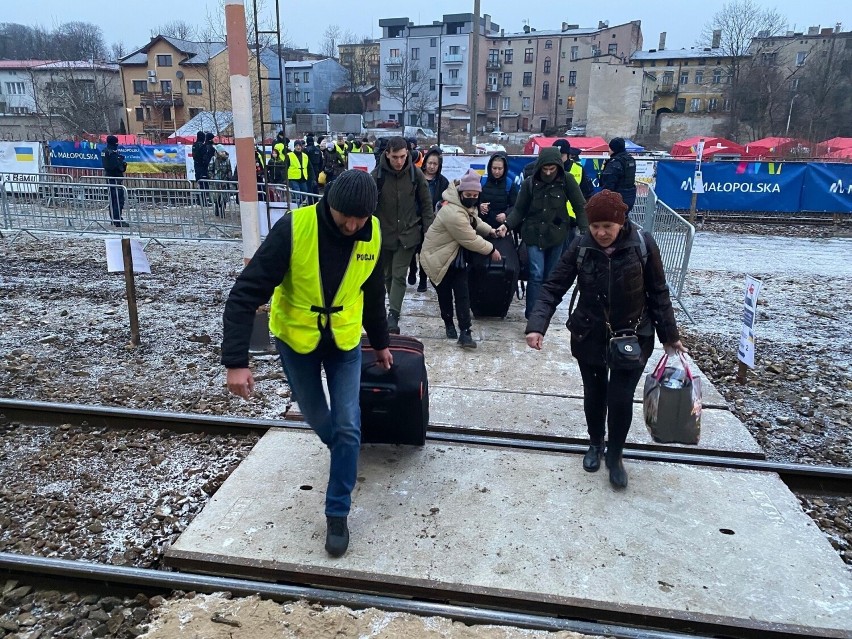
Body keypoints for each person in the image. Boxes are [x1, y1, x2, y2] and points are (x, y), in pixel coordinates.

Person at [222, 170, 392, 557]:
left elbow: (373, 291)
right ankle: (345, 458)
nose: (352, 226)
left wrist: (381, 343)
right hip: (297, 339)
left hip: (345, 340)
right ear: (328, 203)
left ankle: (337, 512)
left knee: (349, 425)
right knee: (324, 423)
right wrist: (236, 361)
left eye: (360, 218)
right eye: (344, 216)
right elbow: (244, 294)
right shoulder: (293, 229)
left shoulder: (373, 232)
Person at [524, 190, 685, 489]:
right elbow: (553, 286)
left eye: (606, 227)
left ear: (620, 223)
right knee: (595, 394)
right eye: (595, 226)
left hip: (634, 335)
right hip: (590, 333)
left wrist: (670, 336)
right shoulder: (581, 245)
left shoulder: (642, 244)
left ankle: (615, 455)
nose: (600, 233)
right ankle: (596, 443)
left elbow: (659, 292)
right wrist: (537, 326)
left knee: (620, 398)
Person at [497, 146, 587, 319]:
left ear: (558, 167)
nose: (547, 172)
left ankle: (544, 310)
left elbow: (580, 207)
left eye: (551, 169)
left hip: (557, 234)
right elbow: (519, 210)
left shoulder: (567, 180)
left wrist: (584, 231)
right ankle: (533, 314)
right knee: (536, 274)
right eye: (544, 169)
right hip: (533, 233)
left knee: (550, 276)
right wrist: (507, 225)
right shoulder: (529, 183)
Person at [421, 169, 503, 348]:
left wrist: (491, 230)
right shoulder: (452, 211)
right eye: (468, 194)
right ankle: (449, 323)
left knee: (462, 294)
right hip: (438, 258)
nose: (472, 198)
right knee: (445, 295)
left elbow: (475, 221)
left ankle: (465, 331)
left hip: (456, 258)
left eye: (475, 195)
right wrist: (491, 250)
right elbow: (469, 238)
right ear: (460, 193)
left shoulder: (465, 207)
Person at [370, 136, 434, 334]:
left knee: (398, 274)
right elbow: (369, 207)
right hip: (384, 234)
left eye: (403, 156)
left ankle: (394, 315)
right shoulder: (377, 176)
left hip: (408, 234)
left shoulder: (416, 175)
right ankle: (393, 310)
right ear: (387, 154)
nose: (399, 161)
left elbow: (426, 205)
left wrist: (428, 231)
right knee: (388, 275)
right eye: (395, 157)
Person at [408, 147, 448, 292]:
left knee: (425, 252)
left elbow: (447, 200)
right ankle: (412, 269)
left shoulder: (443, 182)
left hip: (431, 221)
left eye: (435, 164)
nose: (431, 166)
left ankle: (423, 280)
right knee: (412, 249)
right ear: (425, 163)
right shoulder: (416, 177)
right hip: (414, 219)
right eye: (430, 163)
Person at [478, 151, 518, 229]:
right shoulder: (482, 181)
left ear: (504, 168)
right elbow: (472, 200)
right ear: (490, 167)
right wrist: (479, 206)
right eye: (494, 168)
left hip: (500, 227)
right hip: (482, 226)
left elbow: (515, 206)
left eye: (500, 169)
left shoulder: (509, 184)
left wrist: (506, 214)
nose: (497, 172)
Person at [599, 137, 637, 212]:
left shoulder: (615, 163)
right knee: (623, 219)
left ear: (614, 149)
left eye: (610, 148)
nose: (608, 150)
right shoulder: (630, 159)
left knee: (613, 221)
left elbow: (609, 184)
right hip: (630, 196)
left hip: (617, 198)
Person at [101, 135, 128, 227]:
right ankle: (117, 219)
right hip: (114, 178)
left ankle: (115, 218)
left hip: (113, 178)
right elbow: (113, 166)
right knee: (117, 199)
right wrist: (121, 162)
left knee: (114, 199)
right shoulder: (110, 152)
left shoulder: (107, 151)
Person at [208, 145, 234, 217]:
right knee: (217, 196)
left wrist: (229, 178)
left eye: (223, 151)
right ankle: (217, 208)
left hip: (224, 181)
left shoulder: (227, 160)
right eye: (221, 152)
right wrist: (212, 178)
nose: (222, 153)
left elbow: (229, 170)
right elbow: (210, 170)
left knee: (224, 197)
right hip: (216, 181)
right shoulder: (213, 159)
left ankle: (223, 210)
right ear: (217, 152)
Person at [286, 139, 313, 205]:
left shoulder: (305, 156)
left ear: (301, 147)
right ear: (294, 147)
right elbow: (284, 168)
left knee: (304, 193)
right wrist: (285, 179)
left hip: (303, 178)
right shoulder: (289, 155)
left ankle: (298, 205)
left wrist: (312, 178)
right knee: (297, 195)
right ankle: (295, 207)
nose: (298, 147)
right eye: (297, 146)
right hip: (293, 178)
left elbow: (310, 168)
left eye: (299, 146)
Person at [192, 131, 211, 205]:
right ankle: (204, 201)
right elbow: (205, 158)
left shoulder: (194, 145)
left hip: (197, 167)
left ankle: (199, 200)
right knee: (203, 185)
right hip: (202, 168)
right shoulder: (202, 146)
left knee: (199, 184)